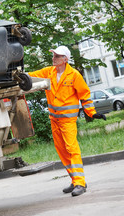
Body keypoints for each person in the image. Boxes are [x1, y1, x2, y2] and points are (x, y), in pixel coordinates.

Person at [29, 45, 106, 196]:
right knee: (62, 151)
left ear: (65, 59)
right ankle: (74, 179)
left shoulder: (74, 75)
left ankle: (80, 183)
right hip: (54, 120)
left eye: (57, 56)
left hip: (68, 121)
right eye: (53, 55)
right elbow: (30, 76)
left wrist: (92, 113)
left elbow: (84, 95)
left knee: (72, 149)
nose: (53, 58)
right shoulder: (48, 72)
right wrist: (16, 74)